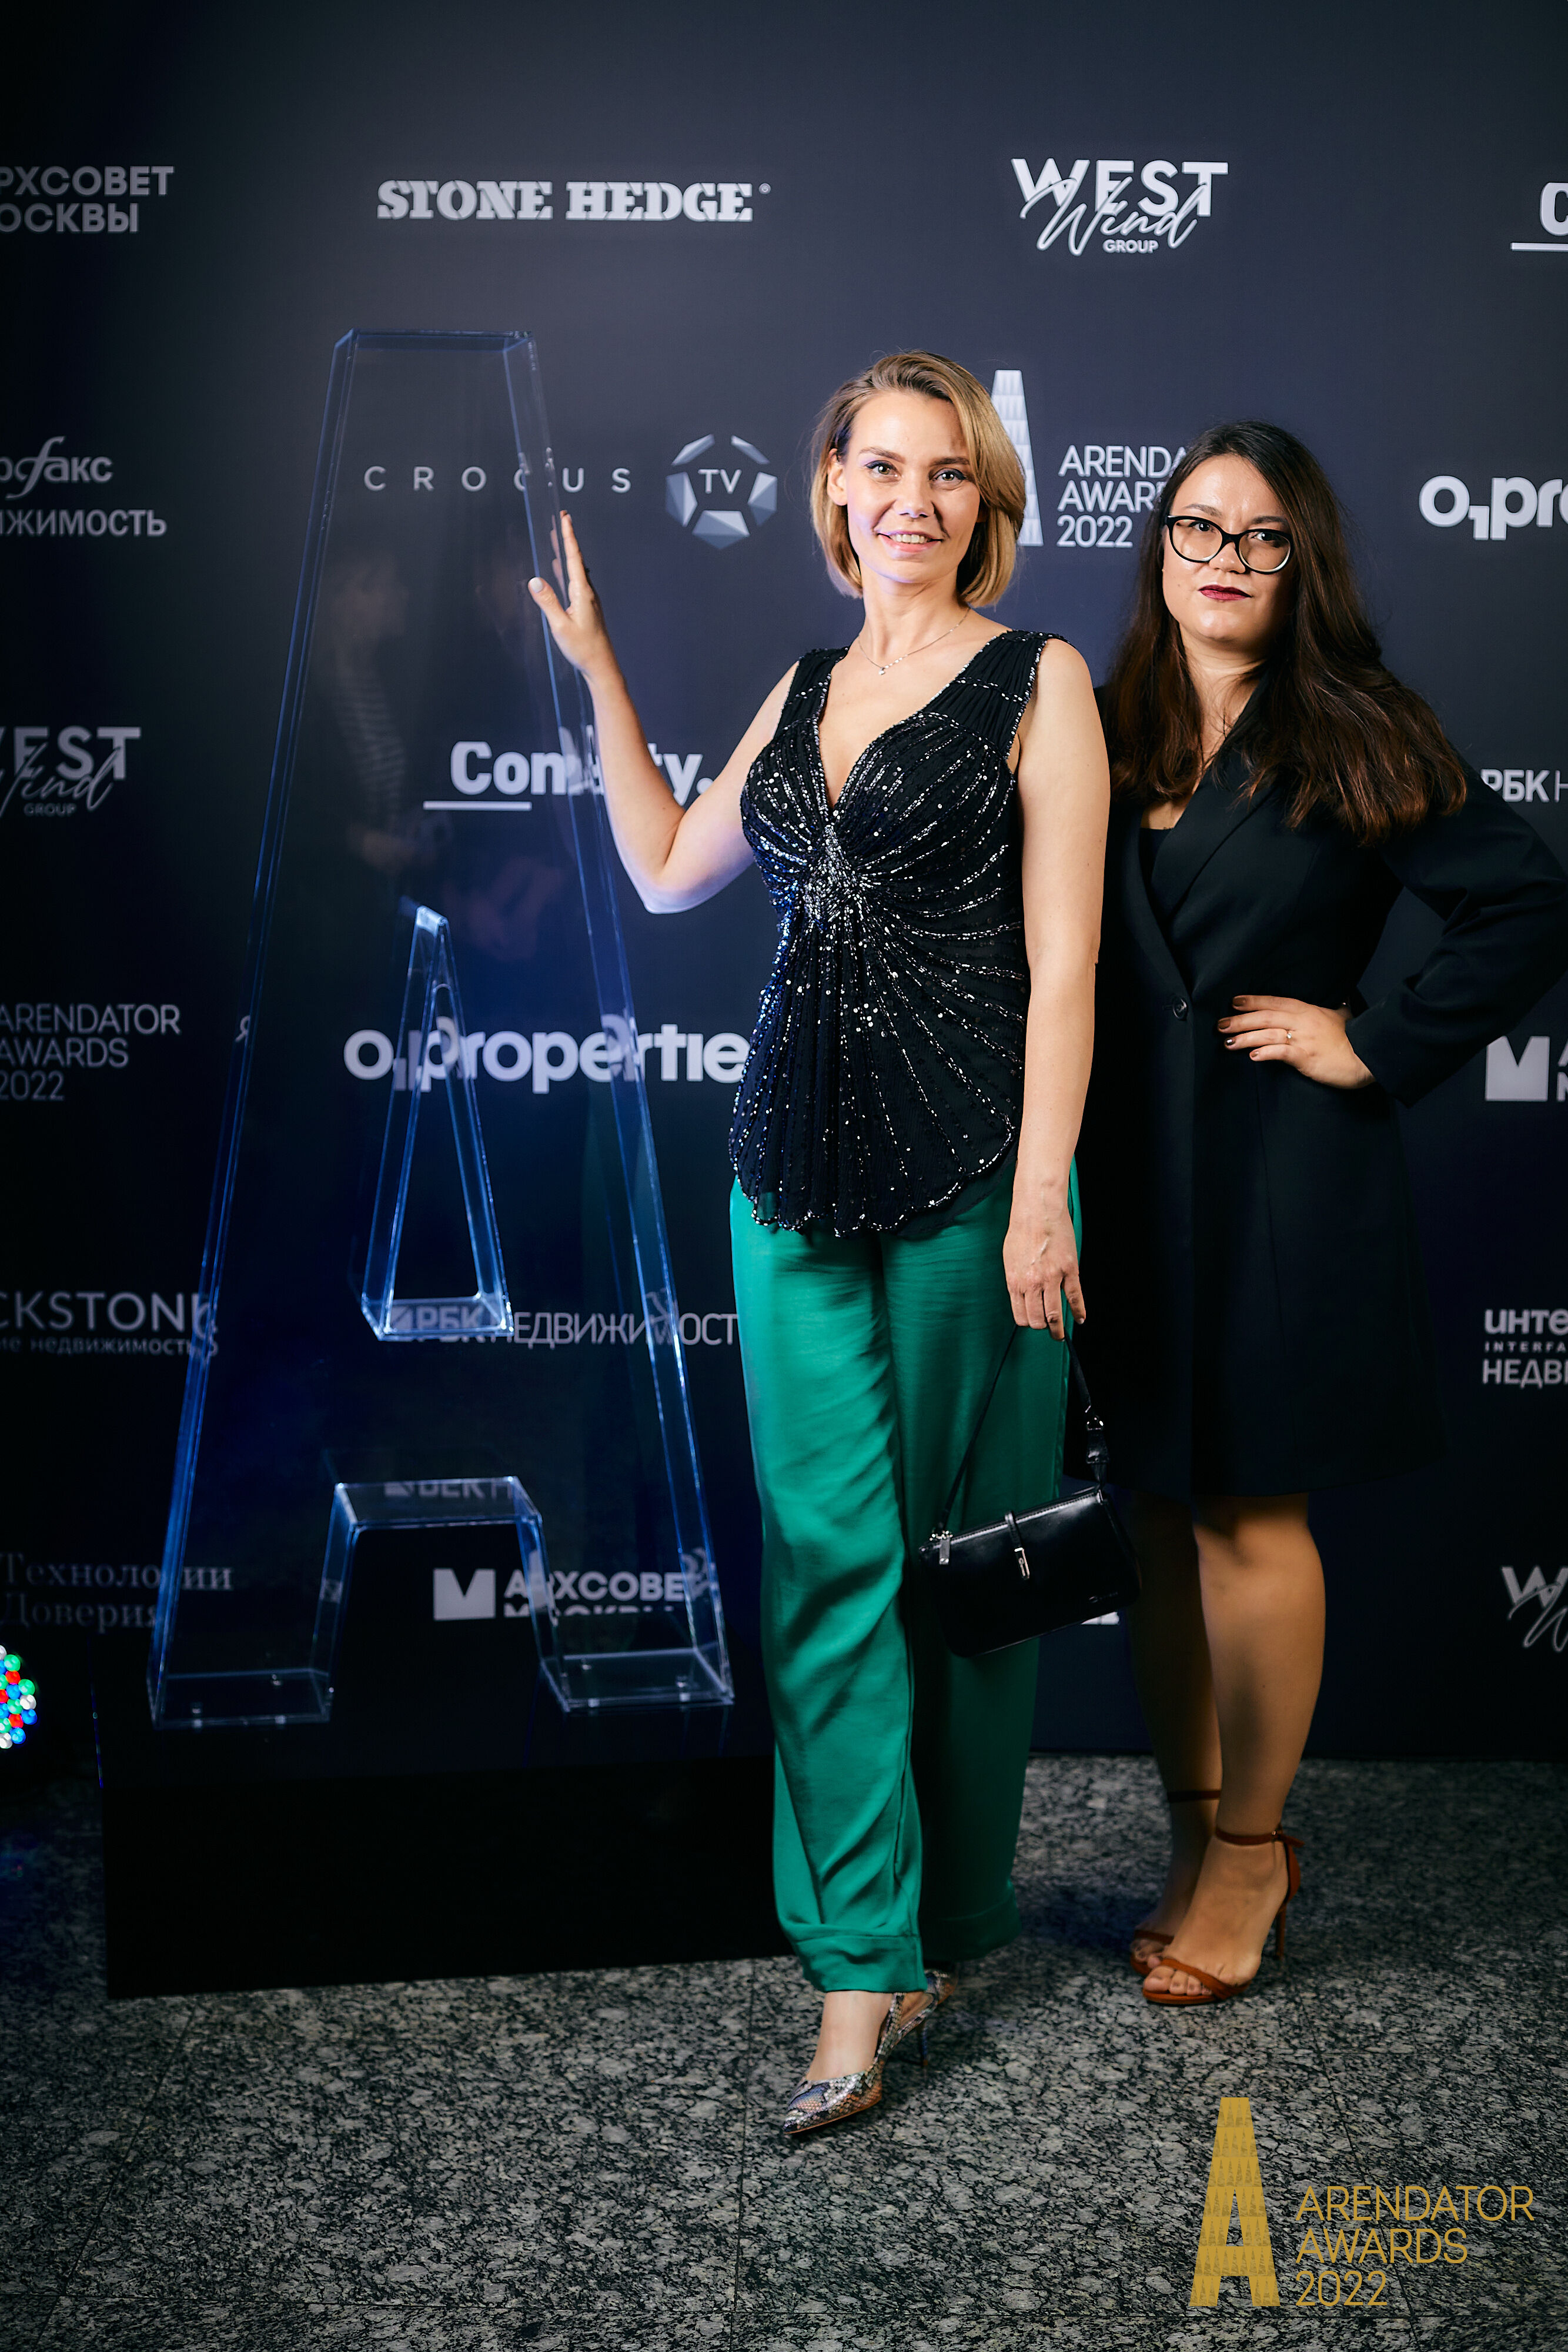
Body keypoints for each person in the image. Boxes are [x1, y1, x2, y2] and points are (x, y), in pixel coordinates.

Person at [530, 352, 1108, 2129]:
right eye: (880, 468)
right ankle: (859, 1968)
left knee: (958, 1572)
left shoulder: (1040, 680)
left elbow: (1067, 963)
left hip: (977, 1180)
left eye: (945, 472)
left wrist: (1042, 1192)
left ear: (982, 503)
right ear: (835, 491)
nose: (909, 499)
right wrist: (602, 674)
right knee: (826, 1566)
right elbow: (663, 870)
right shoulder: (798, 687)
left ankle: (943, 1919)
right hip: (785, 1176)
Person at [1081, 420, 1568, 2006]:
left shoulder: (1355, 728)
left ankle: (1252, 1852)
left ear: (1304, 567)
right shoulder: (1094, 726)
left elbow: (1527, 900)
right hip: (1122, 1176)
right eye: (1198, 526)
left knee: (1248, 1515)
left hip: (1282, 1173)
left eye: (1263, 536)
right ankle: (1190, 1835)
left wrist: (1377, 1040)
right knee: (1156, 1517)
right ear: (1158, 548)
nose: (1225, 558)